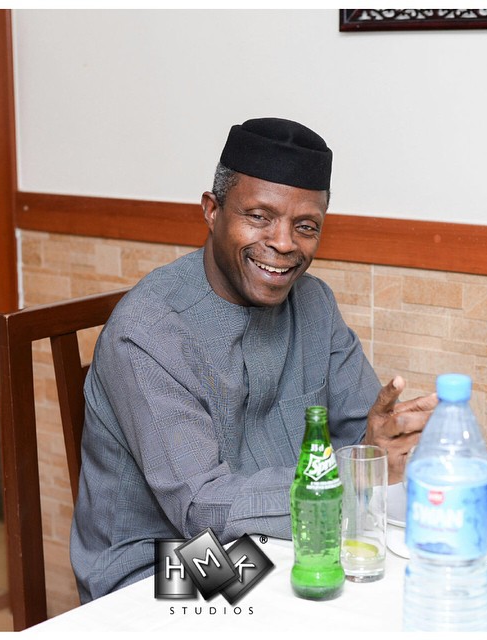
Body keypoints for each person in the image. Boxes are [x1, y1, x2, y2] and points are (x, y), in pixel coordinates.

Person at [70, 117, 437, 602]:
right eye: (259, 216)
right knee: (320, 601)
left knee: (397, 580)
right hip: (156, 566)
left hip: (272, 539)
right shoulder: (149, 331)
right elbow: (202, 507)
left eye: (305, 227)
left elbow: (363, 440)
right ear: (212, 210)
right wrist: (353, 473)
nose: (284, 243)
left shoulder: (314, 304)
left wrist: (389, 442)